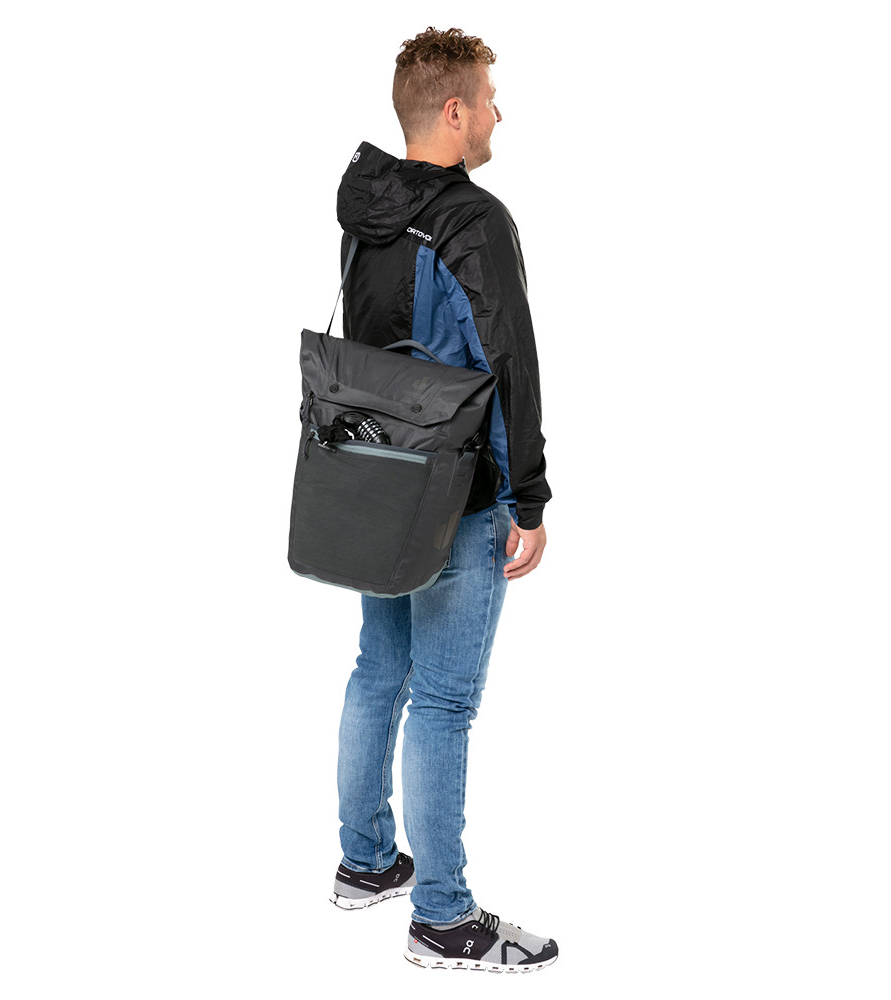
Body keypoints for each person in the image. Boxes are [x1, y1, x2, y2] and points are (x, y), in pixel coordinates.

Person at [328, 27, 557, 973]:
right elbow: (509, 362)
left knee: (379, 671)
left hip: (374, 478)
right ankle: (443, 917)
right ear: (455, 110)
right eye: (491, 98)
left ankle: (365, 861)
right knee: (445, 701)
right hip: (458, 491)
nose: (501, 112)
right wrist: (529, 495)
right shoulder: (475, 219)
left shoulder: (363, 208)